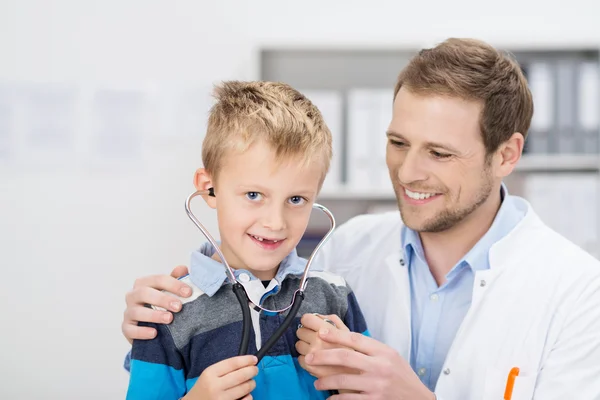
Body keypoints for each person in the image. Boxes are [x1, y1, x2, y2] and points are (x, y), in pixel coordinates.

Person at [122, 39, 600, 399]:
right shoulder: (344, 253)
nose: (409, 172)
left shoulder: (578, 293)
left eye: (439, 152)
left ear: (507, 154)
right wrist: (164, 318)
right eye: (398, 143)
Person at [124, 81, 368, 400]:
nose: (275, 222)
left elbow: (371, 388)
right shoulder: (167, 312)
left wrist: (346, 369)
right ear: (209, 188)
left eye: (296, 199)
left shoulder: (334, 295)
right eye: (254, 195)